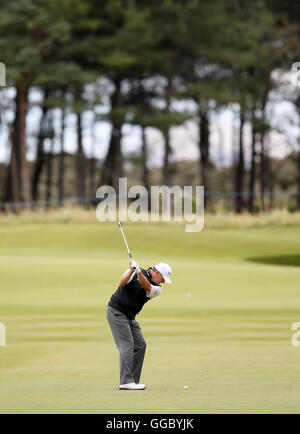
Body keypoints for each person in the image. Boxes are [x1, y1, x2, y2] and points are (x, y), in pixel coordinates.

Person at [106, 258, 172, 390]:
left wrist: (138, 273)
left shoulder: (157, 289)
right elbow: (121, 282)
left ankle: (133, 381)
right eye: (163, 278)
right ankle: (125, 381)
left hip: (130, 317)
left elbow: (147, 286)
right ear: (157, 273)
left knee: (140, 345)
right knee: (127, 344)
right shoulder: (136, 271)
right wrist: (132, 270)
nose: (164, 281)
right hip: (117, 311)